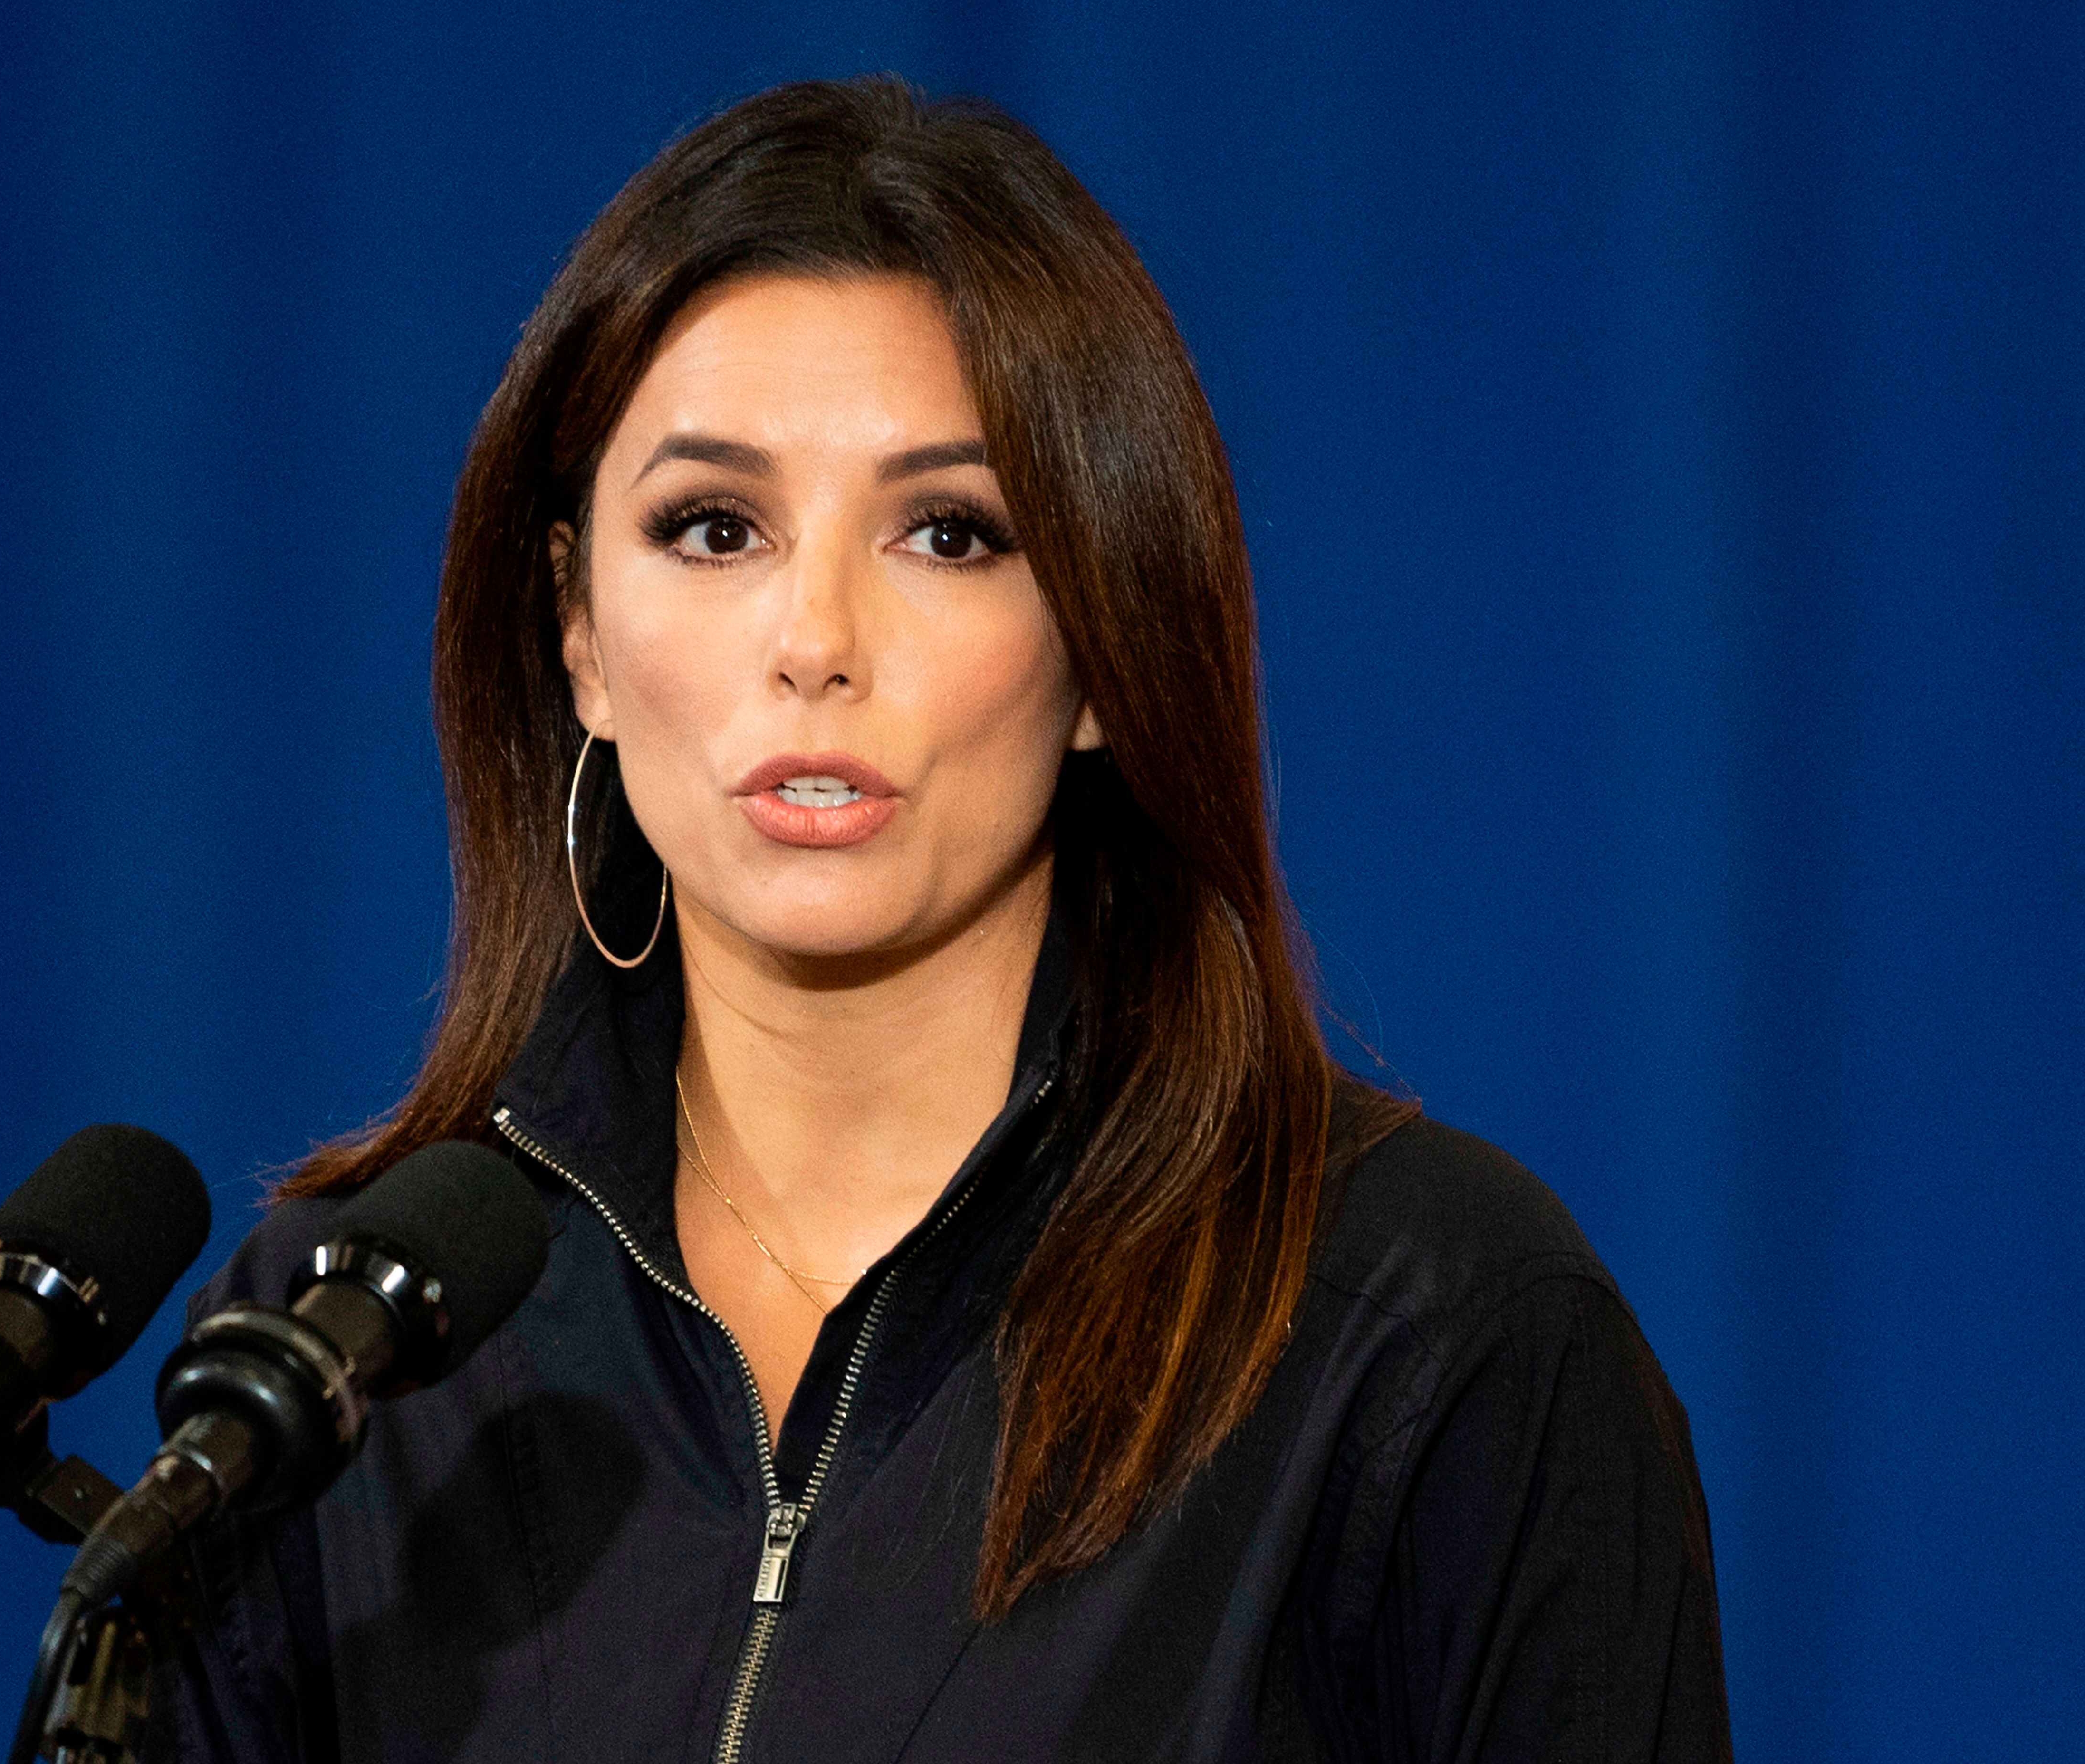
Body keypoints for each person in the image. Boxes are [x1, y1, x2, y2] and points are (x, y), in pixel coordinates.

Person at [151, 76, 1729, 1763]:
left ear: (1106, 649)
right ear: (580, 639)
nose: (815, 638)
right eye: (713, 528)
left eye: (949, 534)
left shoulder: (1436, 1329)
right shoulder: (338, 1349)